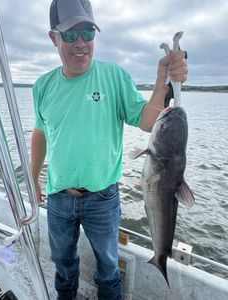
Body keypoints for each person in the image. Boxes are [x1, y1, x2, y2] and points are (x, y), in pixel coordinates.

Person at [31, 0, 188, 299]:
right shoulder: (42, 86)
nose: (81, 43)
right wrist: (34, 176)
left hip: (103, 198)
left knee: (108, 268)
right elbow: (40, 133)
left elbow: (146, 121)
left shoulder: (114, 76)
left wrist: (162, 80)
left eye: (87, 33)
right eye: (70, 34)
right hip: (58, 196)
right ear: (53, 37)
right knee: (63, 265)